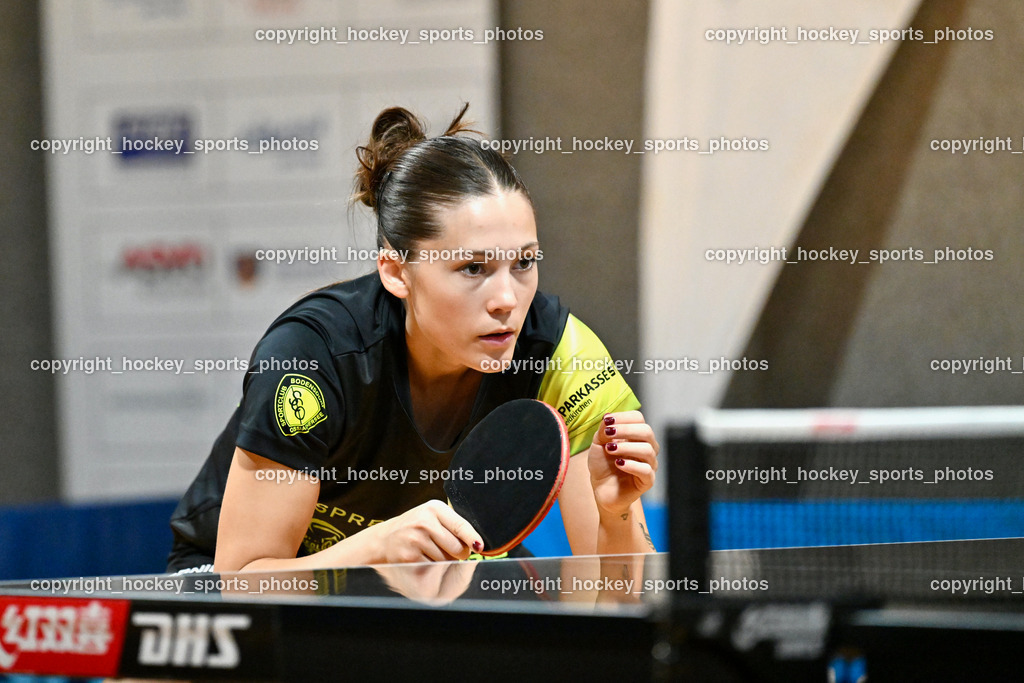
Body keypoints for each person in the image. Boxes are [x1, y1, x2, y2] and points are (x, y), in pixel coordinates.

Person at [167, 104, 659, 574]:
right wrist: (379, 547)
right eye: (473, 267)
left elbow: (616, 601)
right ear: (396, 272)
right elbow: (243, 582)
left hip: (426, 578)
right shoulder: (313, 358)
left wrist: (616, 516)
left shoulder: (560, 355)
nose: (507, 298)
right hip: (236, 590)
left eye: (524, 262)